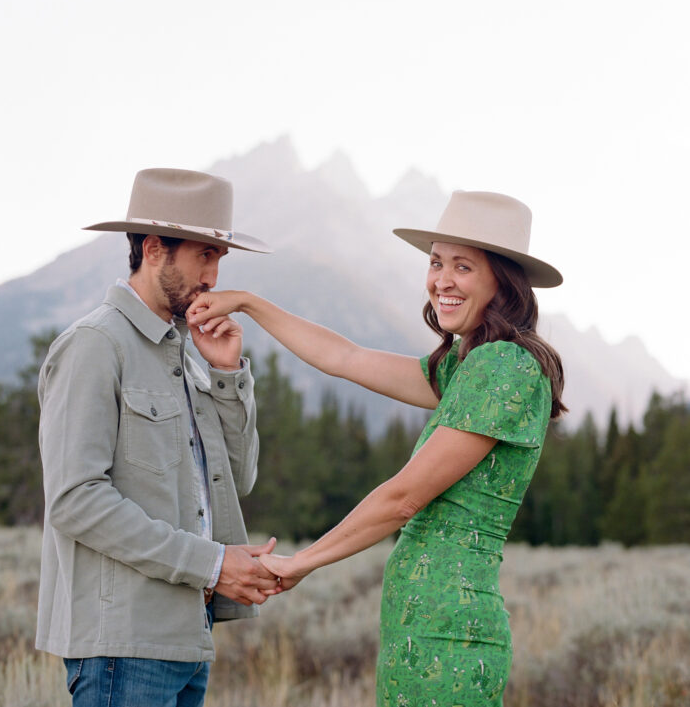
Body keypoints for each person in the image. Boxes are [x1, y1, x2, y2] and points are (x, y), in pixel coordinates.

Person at [186, 189, 566, 707]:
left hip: (448, 637)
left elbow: (403, 498)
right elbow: (345, 356)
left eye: (463, 267)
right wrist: (250, 303)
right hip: (423, 625)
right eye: (436, 263)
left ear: (504, 279)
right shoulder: (469, 366)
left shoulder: (504, 367)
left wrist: (305, 561)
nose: (441, 281)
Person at [36, 167, 280, 707]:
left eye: (219, 259)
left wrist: (227, 374)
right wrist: (213, 565)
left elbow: (237, 481)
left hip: (186, 643)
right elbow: (75, 500)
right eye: (204, 257)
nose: (214, 278)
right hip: (121, 648)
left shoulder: (187, 358)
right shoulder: (95, 345)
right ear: (153, 249)